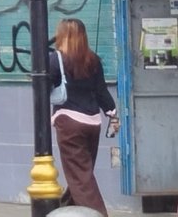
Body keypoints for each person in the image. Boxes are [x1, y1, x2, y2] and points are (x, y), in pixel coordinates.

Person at [48, 18, 117, 216]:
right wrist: (113, 115)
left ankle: (98, 214)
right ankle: (64, 210)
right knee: (81, 173)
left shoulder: (56, 59)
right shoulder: (93, 59)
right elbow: (101, 91)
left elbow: (44, 88)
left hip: (69, 122)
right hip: (93, 122)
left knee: (81, 177)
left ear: (62, 35)